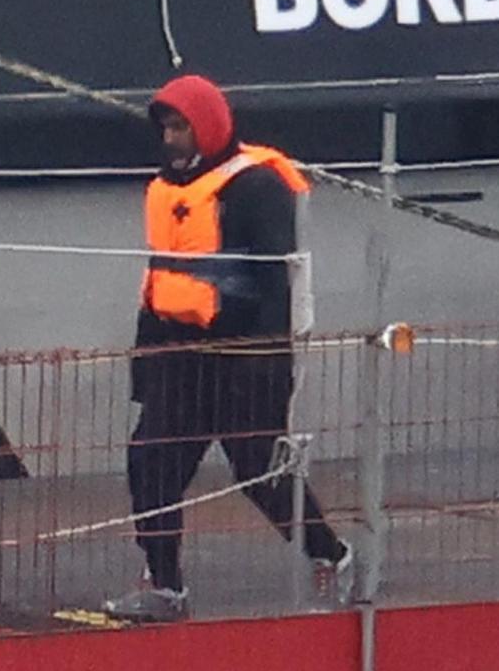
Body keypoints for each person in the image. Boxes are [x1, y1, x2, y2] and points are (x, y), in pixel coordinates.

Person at [105, 72, 348, 622]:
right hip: (179, 353)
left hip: (244, 355)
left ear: (208, 126)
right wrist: (146, 370)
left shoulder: (258, 187)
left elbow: (272, 287)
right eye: (165, 128)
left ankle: (330, 552)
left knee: (260, 472)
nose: (170, 140)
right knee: (151, 463)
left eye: (181, 127)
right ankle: (166, 587)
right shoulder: (166, 190)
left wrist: (259, 364)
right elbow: (157, 284)